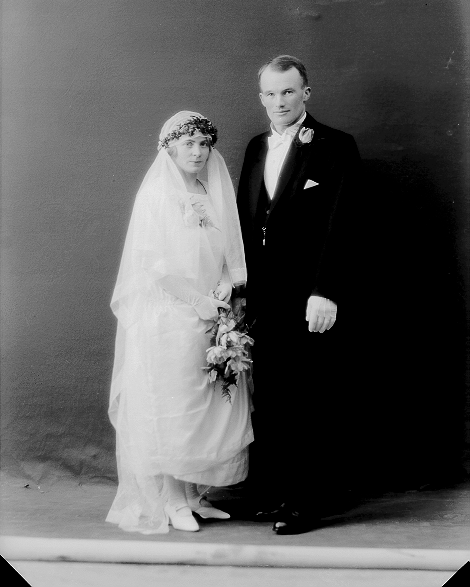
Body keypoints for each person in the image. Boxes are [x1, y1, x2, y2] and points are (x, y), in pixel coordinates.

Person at [107, 111, 253, 534]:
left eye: (204, 143)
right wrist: (195, 300)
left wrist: (224, 282)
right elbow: (152, 265)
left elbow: (225, 248)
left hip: (210, 314)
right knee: (175, 406)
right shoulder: (156, 195)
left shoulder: (209, 190)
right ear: (169, 148)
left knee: (206, 405)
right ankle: (171, 500)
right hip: (171, 316)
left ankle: (192, 496)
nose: (197, 151)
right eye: (188, 143)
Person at [236, 55, 361, 535]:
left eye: (288, 91)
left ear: (305, 93)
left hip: (309, 296)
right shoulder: (256, 147)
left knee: (309, 396)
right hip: (264, 297)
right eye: (270, 93)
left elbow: (342, 223)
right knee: (271, 396)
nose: (279, 101)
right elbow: (249, 220)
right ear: (261, 98)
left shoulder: (335, 145)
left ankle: (306, 501)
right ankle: (276, 493)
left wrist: (324, 290)